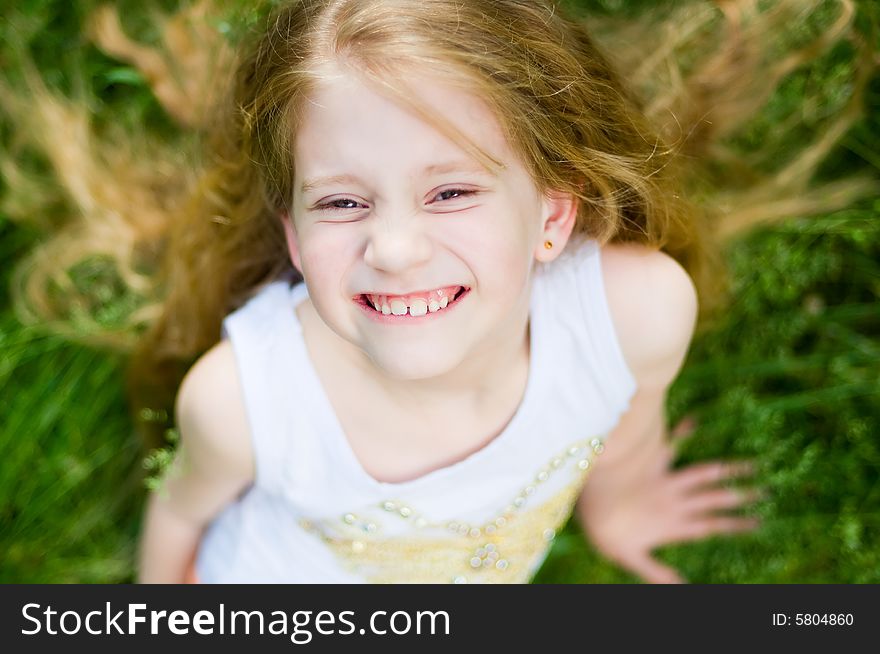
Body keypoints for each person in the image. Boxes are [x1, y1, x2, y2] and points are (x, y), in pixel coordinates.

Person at [129, 0, 763, 584]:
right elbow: (181, 512)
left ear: (552, 212)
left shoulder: (634, 315)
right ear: (294, 236)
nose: (396, 250)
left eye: (451, 192)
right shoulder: (242, 404)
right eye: (343, 201)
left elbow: (626, 423)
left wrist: (618, 509)